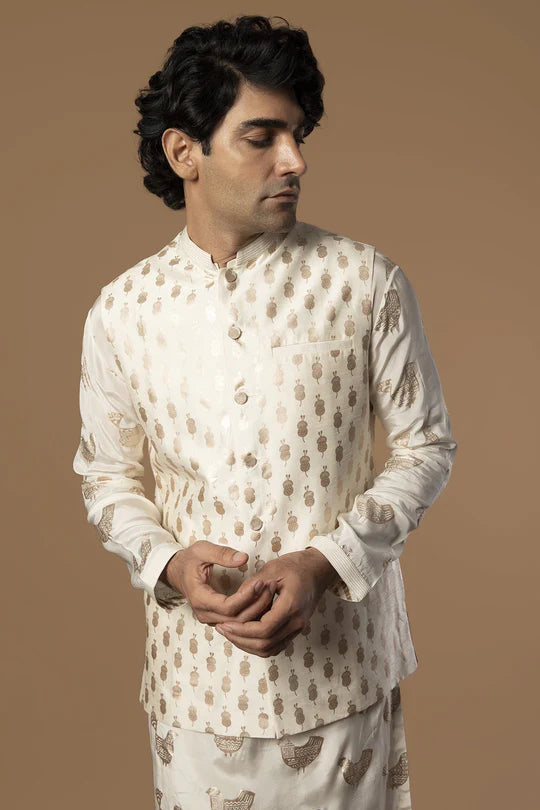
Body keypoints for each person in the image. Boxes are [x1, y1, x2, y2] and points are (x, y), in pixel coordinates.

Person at [72, 14, 458, 810]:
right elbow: (107, 478)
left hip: (345, 681)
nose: (295, 159)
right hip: (194, 688)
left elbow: (426, 448)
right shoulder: (123, 312)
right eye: (262, 137)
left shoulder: (365, 282)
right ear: (186, 153)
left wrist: (323, 564)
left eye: (297, 134)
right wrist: (170, 565)